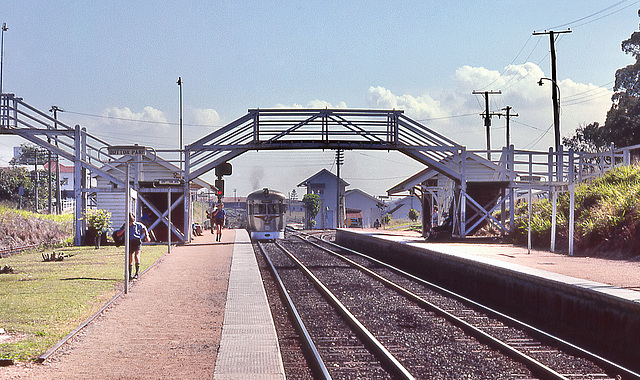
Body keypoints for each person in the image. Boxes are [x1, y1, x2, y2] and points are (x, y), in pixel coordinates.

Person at [116, 213, 150, 280]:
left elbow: (144, 228)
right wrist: (124, 229)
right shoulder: (125, 226)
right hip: (129, 241)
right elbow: (118, 234)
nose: (130, 223)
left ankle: (137, 273)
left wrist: (147, 236)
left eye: (131, 221)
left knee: (137, 256)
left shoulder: (138, 225)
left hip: (137, 241)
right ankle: (130, 274)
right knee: (130, 258)